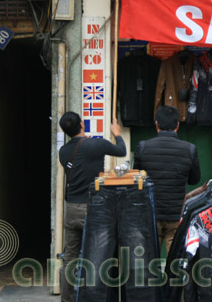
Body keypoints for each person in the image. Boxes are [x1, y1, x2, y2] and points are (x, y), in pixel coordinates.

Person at [58, 112, 126, 302]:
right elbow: (121, 151)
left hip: (71, 208)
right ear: (81, 123)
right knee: (96, 256)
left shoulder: (63, 151)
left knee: (70, 257)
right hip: (92, 208)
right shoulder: (96, 144)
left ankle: (67, 299)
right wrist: (117, 132)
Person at [133, 105, 201, 254]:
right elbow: (195, 180)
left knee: (149, 260)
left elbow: (137, 179)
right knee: (174, 261)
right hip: (177, 213)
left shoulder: (143, 147)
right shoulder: (190, 149)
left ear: (156, 123)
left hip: (151, 213)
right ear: (177, 125)